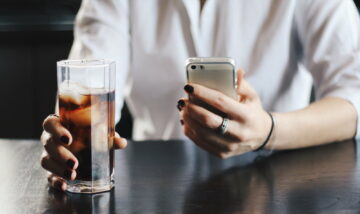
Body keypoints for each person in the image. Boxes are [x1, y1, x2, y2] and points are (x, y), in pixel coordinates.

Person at [41, 0, 360, 191]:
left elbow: (354, 97)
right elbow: (86, 79)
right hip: (155, 192)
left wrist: (268, 131)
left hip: (283, 184)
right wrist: (67, 140)